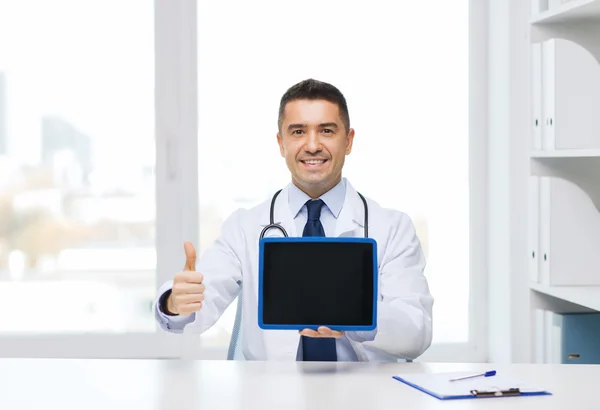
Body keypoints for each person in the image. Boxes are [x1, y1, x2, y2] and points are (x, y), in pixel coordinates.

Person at [154, 78, 434, 362]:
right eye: (298, 131)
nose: (312, 145)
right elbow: (198, 308)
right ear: (281, 143)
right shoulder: (245, 227)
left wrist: (358, 314)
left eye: (326, 131)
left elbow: (417, 334)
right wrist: (176, 302)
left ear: (348, 141)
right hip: (273, 396)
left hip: (364, 398)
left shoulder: (392, 228)